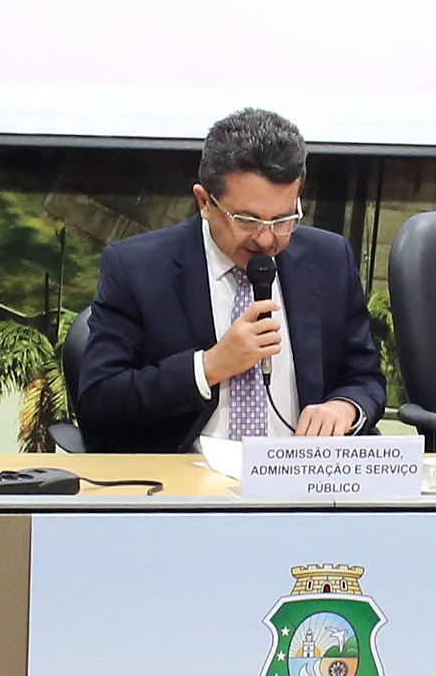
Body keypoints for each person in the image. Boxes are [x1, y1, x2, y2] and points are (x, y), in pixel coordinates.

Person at [72, 108, 384, 453]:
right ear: (205, 202)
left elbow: (364, 377)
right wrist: (209, 367)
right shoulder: (138, 267)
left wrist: (345, 408)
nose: (266, 239)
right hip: (187, 475)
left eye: (283, 220)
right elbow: (99, 401)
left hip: (298, 473)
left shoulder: (329, 259)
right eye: (248, 221)